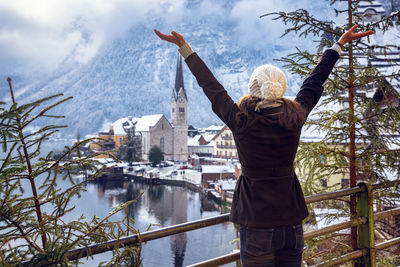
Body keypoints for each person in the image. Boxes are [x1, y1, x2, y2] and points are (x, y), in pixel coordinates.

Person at [154, 25, 374, 267]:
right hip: (291, 221)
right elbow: (315, 81)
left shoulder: (240, 121)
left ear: (253, 91)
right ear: (280, 89)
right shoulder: (295, 116)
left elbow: (212, 87)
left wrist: (185, 49)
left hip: (256, 223)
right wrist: (338, 45)